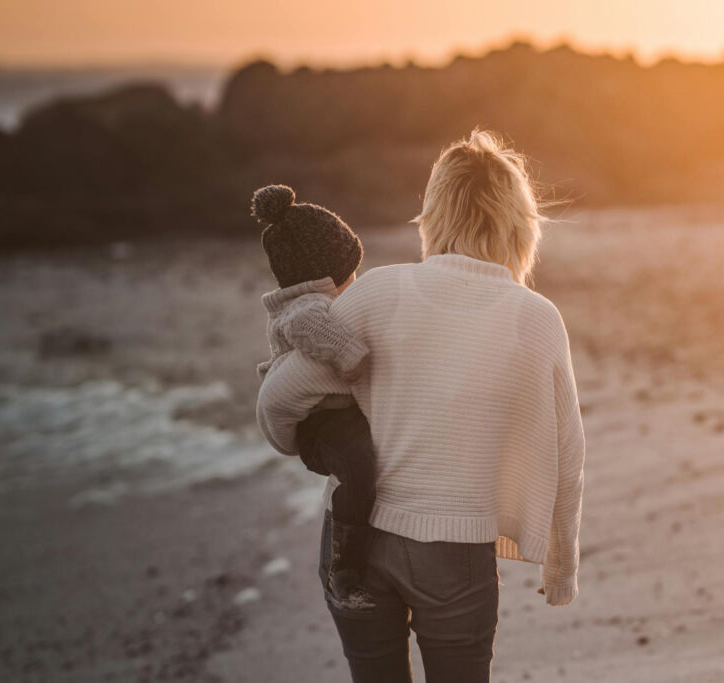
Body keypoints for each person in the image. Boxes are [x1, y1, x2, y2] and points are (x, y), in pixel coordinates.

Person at [257, 129, 586, 683]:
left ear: (431, 217)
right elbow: (567, 453)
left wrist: (304, 442)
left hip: (354, 541)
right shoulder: (535, 317)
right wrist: (561, 568)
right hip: (454, 554)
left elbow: (278, 398)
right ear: (520, 224)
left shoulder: (378, 293)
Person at [251, 184, 377, 611]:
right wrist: (351, 355)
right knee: (360, 465)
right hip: (318, 424)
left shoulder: (312, 298)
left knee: (369, 457)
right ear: (325, 273)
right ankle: (346, 566)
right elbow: (312, 327)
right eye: (350, 275)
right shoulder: (305, 307)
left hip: (335, 416)